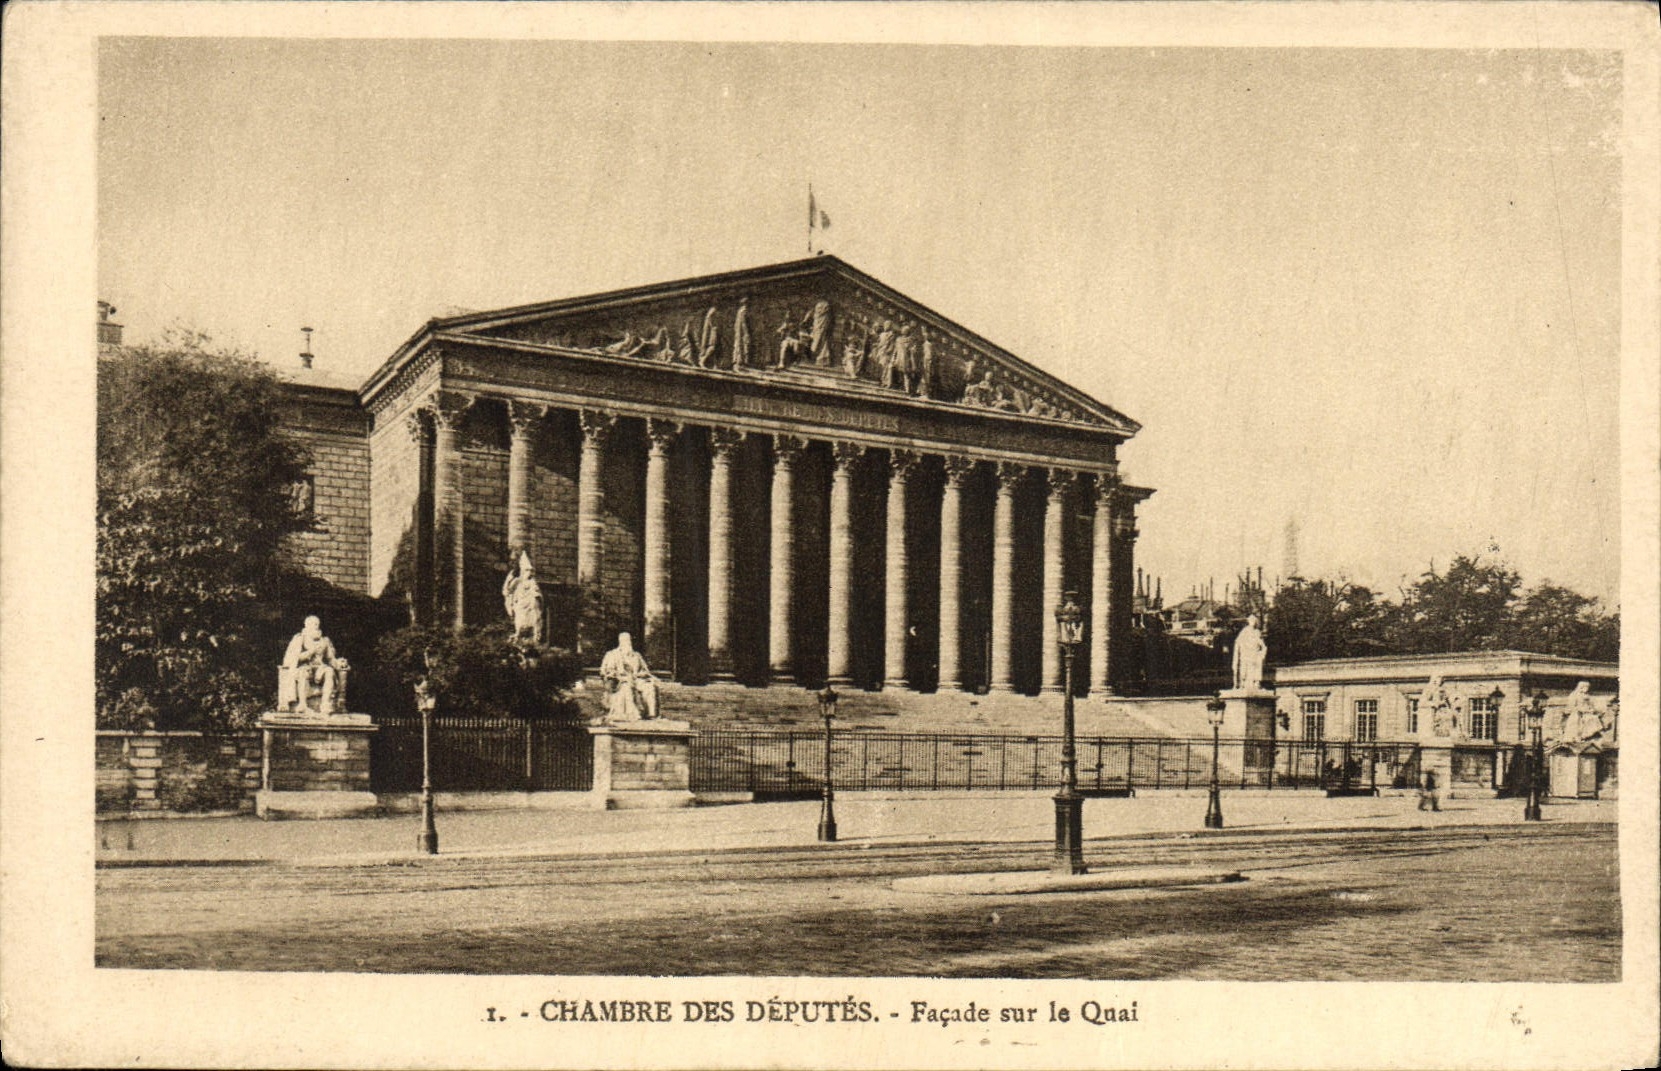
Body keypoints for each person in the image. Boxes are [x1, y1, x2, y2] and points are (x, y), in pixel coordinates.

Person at [281, 615, 341, 714]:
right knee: (303, 672)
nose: (316, 626)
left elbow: (330, 658)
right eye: (313, 624)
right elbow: (296, 657)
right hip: (304, 666)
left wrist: (339, 663)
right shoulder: (301, 638)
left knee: (329, 671)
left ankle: (325, 704)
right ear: (306, 625)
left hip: (320, 668)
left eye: (317, 624)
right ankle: (302, 705)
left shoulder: (324, 640)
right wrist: (310, 651)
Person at [599, 632, 659, 721]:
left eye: (628, 640)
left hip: (637, 679)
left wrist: (642, 674)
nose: (627, 642)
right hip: (620, 680)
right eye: (624, 640)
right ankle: (632, 713)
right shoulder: (612, 654)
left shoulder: (637, 655)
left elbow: (645, 670)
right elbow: (605, 671)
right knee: (626, 685)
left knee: (649, 686)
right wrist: (616, 675)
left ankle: (650, 714)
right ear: (620, 641)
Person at [501, 551, 544, 645]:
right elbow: (507, 591)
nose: (529, 573)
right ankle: (519, 636)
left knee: (533, 618)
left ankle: (533, 638)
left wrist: (535, 598)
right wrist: (511, 581)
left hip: (530, 605)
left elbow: (536, 593)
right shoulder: (515, 579)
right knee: (520, 620)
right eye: (526, 570)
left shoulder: (532, 582)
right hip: (520, 604)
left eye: (530, 571)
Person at [1231, 613, 1267, 691]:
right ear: (1248, 621)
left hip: (1254, 654)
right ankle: (1242, 684)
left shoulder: (1257, 632)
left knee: (1256, 667)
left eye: (1254, 621)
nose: (1252, 622)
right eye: (1251, 620)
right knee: (1244, 669)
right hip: (1246, 654)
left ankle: (1256, 683)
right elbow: (1238, 642)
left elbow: (1262, 645)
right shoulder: (1245, 631)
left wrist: (1262, 654)